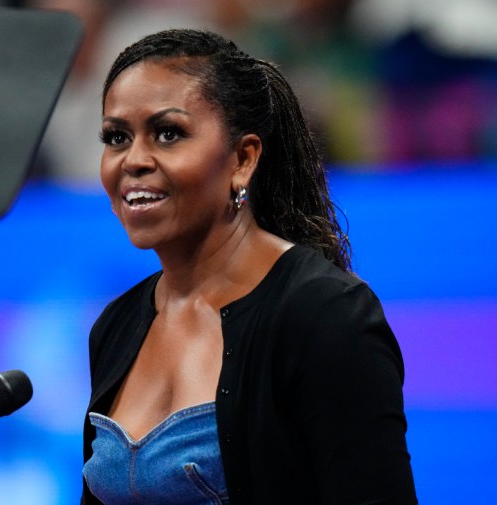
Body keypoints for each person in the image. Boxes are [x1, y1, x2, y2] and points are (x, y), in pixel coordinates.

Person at [81, 29, 417, 504]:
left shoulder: (325, 315)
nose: (133, 160)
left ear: (243, 158)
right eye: (117, 137)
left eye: (168, 133)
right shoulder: (113, 326)